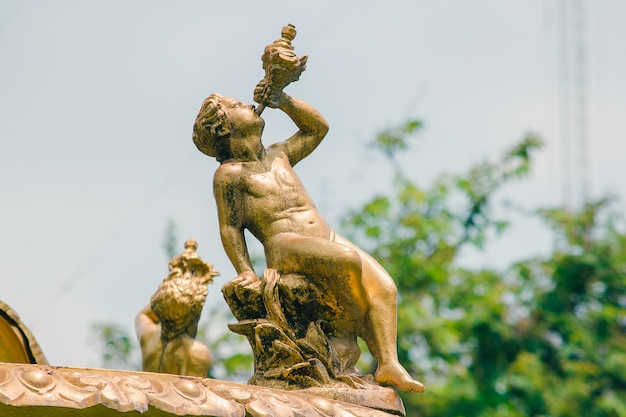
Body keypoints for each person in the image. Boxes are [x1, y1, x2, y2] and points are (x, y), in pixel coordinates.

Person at [193, 92, 425, 392]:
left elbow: (317, 129)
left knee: (385, 287)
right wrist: (246, 271)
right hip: (284, 243)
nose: (249, 104)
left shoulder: (279, 154)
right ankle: (347, 329)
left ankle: (388, 363)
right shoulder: (230, 174)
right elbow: (230, 228)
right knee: (347, 261)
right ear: (224, 127)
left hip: (324, 237)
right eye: (237, 106)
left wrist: (281, 99)